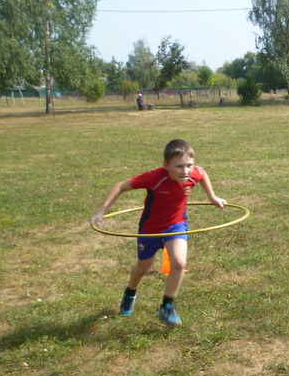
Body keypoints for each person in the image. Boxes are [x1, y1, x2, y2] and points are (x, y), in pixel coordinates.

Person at [90, 139, 227, 327]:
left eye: (189, 165)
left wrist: (212, 196)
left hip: (176, 225)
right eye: (179, 166)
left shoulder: (194, 173)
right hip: (150, 229)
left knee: (179, 263)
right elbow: (120, 186)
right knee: (143, 268)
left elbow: (202, 173)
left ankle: (167, 306)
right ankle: (130, 292)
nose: (185, 171)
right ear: (166, 165)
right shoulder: (155, 177)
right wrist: (101, 212)